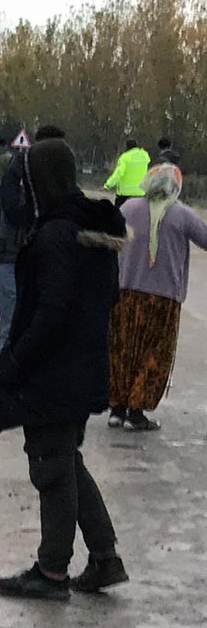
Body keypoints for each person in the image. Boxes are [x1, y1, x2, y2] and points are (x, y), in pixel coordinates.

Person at [0, 137, 130, 601]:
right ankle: (105, 558)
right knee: (67, 462)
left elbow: (49, 312)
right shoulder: (90, 227)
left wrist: (14, 362)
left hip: (54, 375)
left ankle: (51, 572)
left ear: (39, 181)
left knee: (51, 468)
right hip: (85, 368)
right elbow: (108, 298)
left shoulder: (53, 235)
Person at [110, 162, 207, 431]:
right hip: (163, 299)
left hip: (125, 293)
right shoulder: (181, 215)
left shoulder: (127, 209)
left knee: (122, 350)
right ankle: (136, 411)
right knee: (154, 354)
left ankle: (116, 408)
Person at [0, 124, 67, 357]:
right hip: (13, 260)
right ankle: (4, 389)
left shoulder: (59, 180)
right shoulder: (19, 171)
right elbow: (13, 210)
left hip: (39, 264)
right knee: (10, 331)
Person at [104, 138, 151, 205]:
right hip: (140, 193)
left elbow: (119, 173)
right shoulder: (145, 156)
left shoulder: (125, 157)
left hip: (125, 194)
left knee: (120, 214)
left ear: (127, 147)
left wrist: (108, 185)